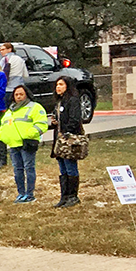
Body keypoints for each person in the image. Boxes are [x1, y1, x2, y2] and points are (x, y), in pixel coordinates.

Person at [0, 84, 48, 203]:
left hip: (27, 143)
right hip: (14, 144)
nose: (18, 97)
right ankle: (21, 193)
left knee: (29, 168)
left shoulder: (35, 107)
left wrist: (30, 134)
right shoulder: (11, 110)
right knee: (17, 170)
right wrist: (2, 136)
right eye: (16, 94)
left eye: (21, 94)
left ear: (26, 95)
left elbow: (42, 124)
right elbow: (3, 125)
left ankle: (30, 194)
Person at [47, 76, 85, 208]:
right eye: (57, 85)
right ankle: (64, 196)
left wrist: (65, 130)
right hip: (59, 139)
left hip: (69, 139)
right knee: (62, 167)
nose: (58, 87)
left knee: (70, 166)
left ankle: (73, 196)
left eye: (61, 84)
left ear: (68, 86)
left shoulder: (72, 100)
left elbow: (74, 119)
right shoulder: (59, 102)